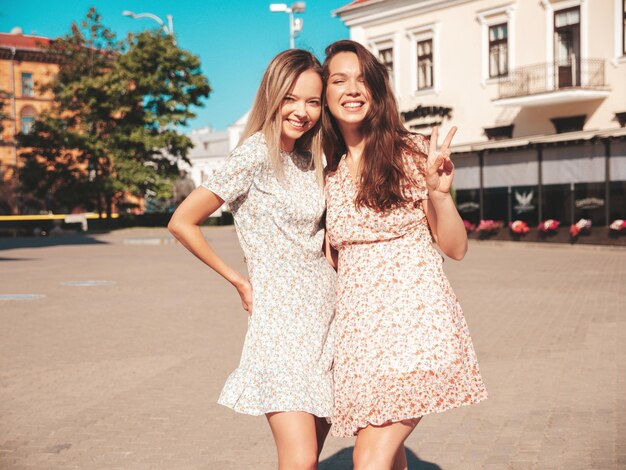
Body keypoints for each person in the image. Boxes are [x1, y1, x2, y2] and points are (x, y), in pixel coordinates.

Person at [321, 40, 488, 470]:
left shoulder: (411, 153)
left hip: (414, 326)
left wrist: (438, 193)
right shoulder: (329, 175)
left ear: (377, 91)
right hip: (359, 339)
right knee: (388, 459)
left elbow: (455, 247)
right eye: (339, 80)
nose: (352, 89)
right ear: (326, 93)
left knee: (368, 461)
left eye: (363, 79)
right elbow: (332, 261)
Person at [168, 49, 336, 470]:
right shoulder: (254, 154)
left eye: (313, 102)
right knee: (300, 460)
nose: (302, 111)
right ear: (272, 96)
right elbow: (182, 221)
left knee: (310, 454)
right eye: (291, 98)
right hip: (280, 324)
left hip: (328, 317)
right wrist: (238, 280)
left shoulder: (311, 159)